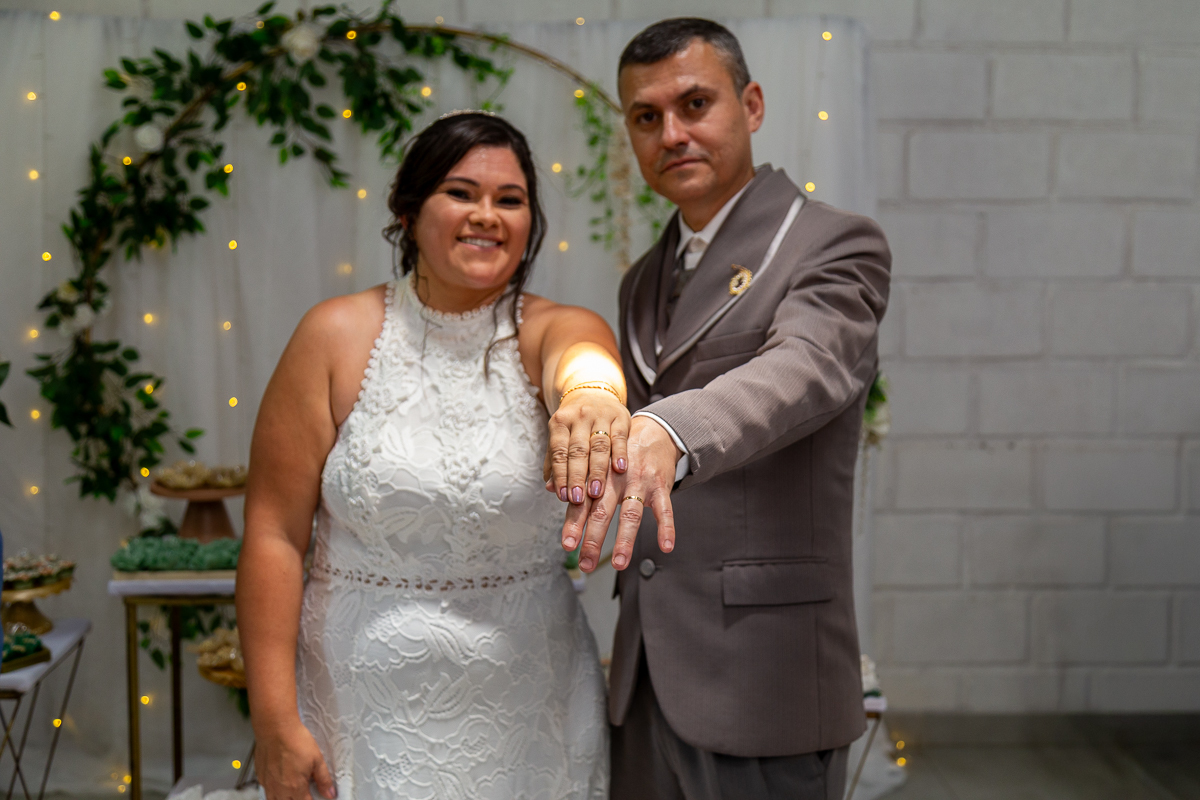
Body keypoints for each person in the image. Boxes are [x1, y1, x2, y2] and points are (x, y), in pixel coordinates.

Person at [236, 111, 626, 800]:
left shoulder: (552, 329)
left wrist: (592, 392)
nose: (488, 215)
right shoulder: (333, 335)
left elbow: (584, 357)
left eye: (510, 200)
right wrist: (272, 720)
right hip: (361, 707)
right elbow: (273, 535)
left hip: (528, 710)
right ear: (409, 210)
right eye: (462, 193)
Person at [569, 18, 892, 800]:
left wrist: (674, 428)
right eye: (647, 117)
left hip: (762, 670)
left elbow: (805, 367)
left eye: (694, 104)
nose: (671, 133)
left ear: (750, 105)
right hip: (647, 670)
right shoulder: (644, 277)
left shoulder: (833, 243)